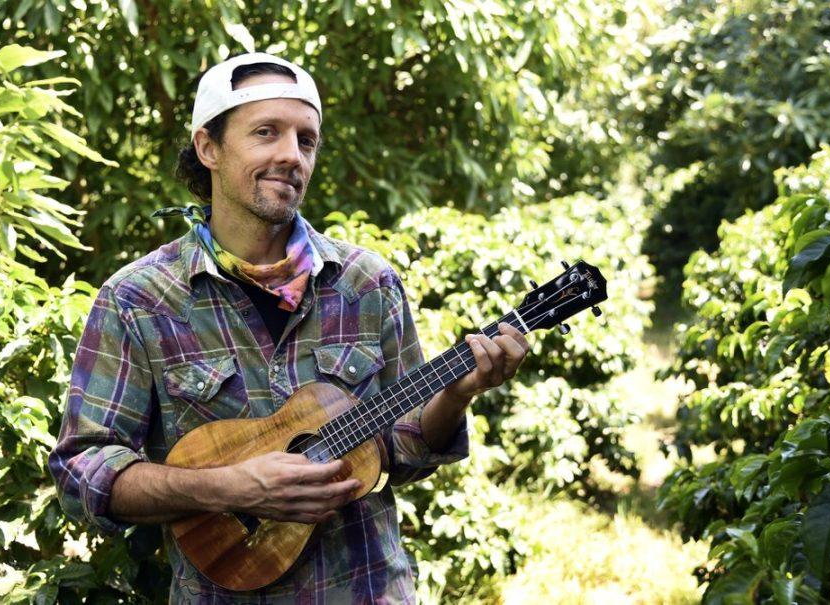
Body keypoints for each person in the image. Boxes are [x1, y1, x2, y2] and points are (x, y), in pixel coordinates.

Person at [49, 52, 529, 602]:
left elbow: (400, 451)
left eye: (306, 139)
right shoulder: (139, 300)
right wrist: (227, 488)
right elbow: (82, 468)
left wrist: (455, 397)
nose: (290, 155)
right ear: (208, 148)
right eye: (266, 133)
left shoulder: (367, 284)